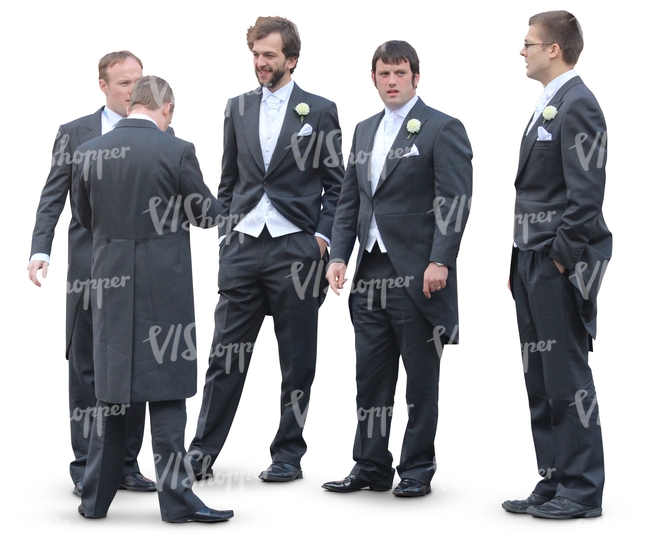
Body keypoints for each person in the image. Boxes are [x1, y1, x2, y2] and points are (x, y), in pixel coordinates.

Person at [187, 15, 344, 483]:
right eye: (256, 54)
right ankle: (201, 451)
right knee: (225, 355)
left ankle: (288, 454)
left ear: (290, 59)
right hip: (243, 248)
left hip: (296, 249)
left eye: (269, 55)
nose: (260, 62)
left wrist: (321, 238)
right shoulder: (236, 107)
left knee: (297, 359)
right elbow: (229, 179)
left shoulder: (320, 111)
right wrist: (224, 233)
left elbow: (336, 185)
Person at [72, 76, 232, 523]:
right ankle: (177, 502)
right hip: (164, 289)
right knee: (166, 395)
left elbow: (85, 217)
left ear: (132, 104)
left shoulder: (87, 153)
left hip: (109, 287)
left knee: (112, 394)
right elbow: (205, 215)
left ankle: (95, 501)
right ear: (167, 109)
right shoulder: (175, 150)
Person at [322, 40, 472, 497]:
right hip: (369, 274)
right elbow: (350, 200)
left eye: (400, 74)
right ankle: (369, 465)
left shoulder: (442, 128)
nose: (392, 81)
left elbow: (454, 200)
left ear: (415, 78)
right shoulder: (364, 130)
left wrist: (440, 259)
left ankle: (416, 470)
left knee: (420, 380)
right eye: (384, 74)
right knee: (370, 377)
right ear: (373, 78)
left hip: (419, 274)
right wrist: (339, 256)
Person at [28, 51, 154, 496]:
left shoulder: (159, 130)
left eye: (139, 81)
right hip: (88, 272)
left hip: (139, 274)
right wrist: (39, 249)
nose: (134, 91)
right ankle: (86, 466)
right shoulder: (74, 133)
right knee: (86, 368)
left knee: (136, 367)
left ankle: (126, 464)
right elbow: (52, 197)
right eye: (124, 83)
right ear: (102, 86)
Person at [502, 10, 611, 519]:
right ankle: (554, 477)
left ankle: (584, 489)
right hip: (528, 258)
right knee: (540, 374)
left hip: (555, 261)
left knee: (566, 373)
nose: (521, 51)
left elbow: (585, 197)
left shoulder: (579, 104)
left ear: (554, 49)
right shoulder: (547, 103)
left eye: (529, 43)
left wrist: (561, 260)